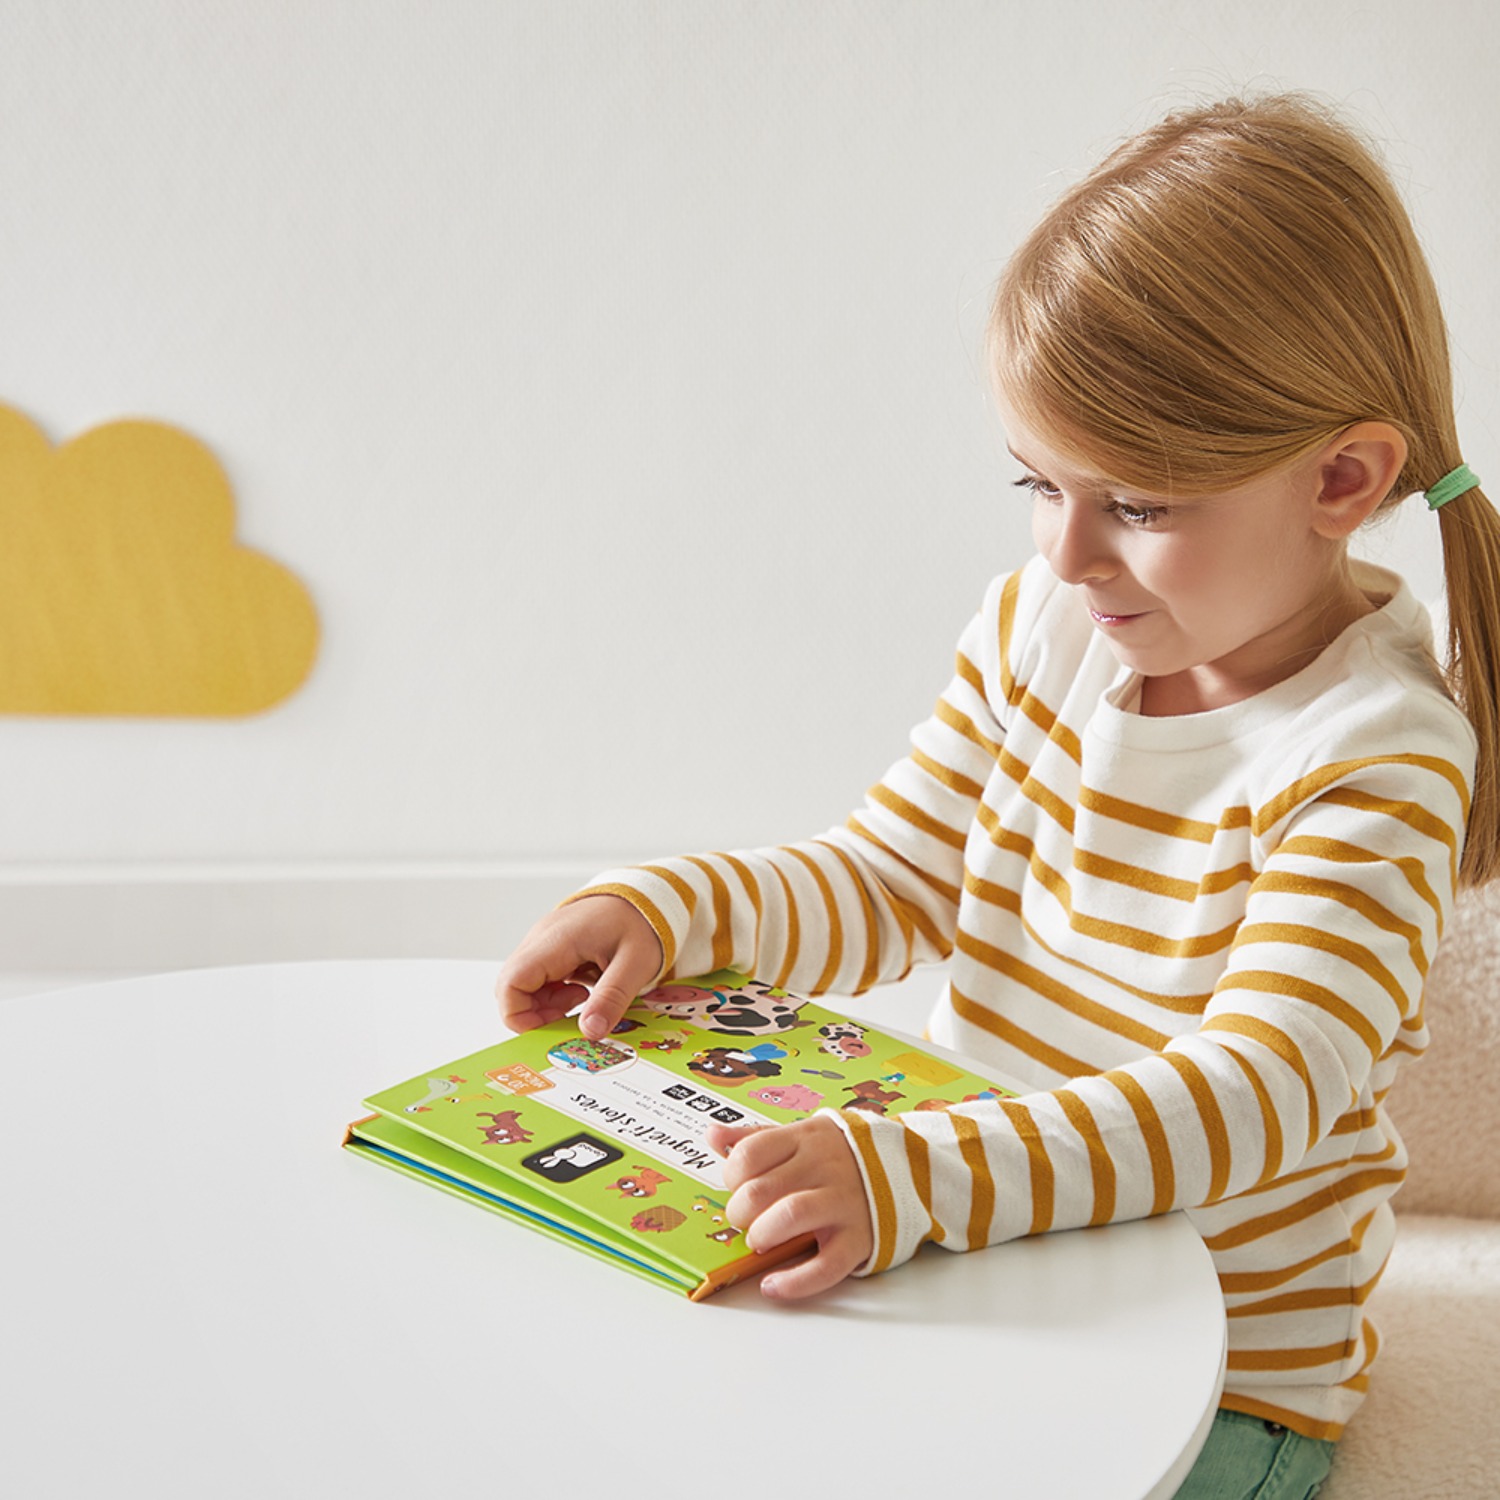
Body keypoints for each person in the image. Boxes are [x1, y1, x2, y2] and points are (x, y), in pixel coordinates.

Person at [495, 93, 1500, 1497]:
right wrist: (671, 913)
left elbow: (1255, 1092)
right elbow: (895, 876)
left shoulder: (1374, 752)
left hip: (1215, 1365)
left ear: (1341, 479)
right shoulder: (1051, 624)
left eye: (1136, 505)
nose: (1068, 552)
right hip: (973, 1258)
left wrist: (914, 1177)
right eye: (1040, 484)